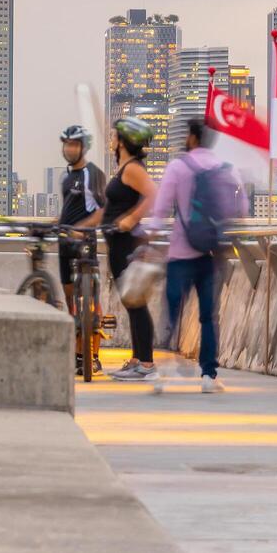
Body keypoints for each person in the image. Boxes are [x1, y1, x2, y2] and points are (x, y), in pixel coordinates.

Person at [153, 118, 245, 394]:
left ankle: (163, 372)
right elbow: (241, 207)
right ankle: (208, 376)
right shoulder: (225, 169)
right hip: (210, 252)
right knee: (208, 316)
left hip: (181, 252)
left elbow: (160, 209)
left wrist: (148, 240)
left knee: (171, 313)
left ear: (192, 138)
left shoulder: (179, 167)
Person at [103, 116, 158, 381]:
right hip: (117, 243)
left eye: (114, 136)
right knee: (130, 301)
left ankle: (146, 364)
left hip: (128, 243)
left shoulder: (133, 169)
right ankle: (137, 359)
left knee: (136, 303)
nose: (111, 140)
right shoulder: (125, 167)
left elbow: (154, 194)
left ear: (124, 141)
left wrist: (131, 219)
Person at [57, 124, 105, 375]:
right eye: (66, 144)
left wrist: (82, 228)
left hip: (84, 244)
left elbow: (103, 210)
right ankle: (77, 353)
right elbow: (68, 209)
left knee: (91, 302)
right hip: (64, 245)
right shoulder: (66, 178)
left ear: (83, 147)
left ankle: (92, 355)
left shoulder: (92, 174)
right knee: (70, 302)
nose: (69, 148)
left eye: (74, 144)